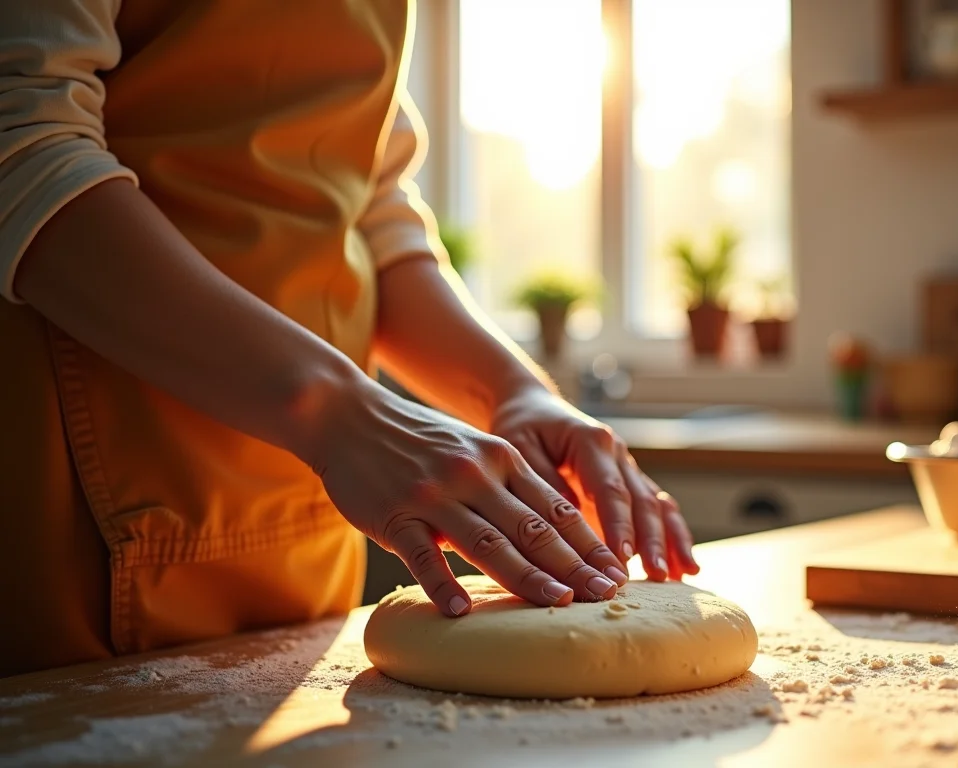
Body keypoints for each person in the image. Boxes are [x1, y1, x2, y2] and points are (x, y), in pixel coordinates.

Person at [0, 0, 697, 678]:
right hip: (78, 520)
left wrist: (512, 392)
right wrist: (334, 412)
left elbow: (370, 209)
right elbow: (24, 145)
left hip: (303, 519)